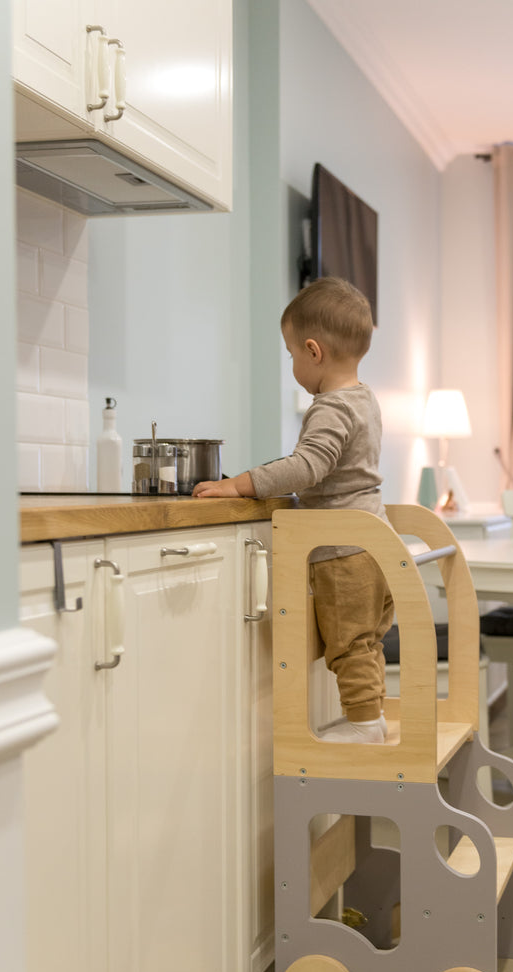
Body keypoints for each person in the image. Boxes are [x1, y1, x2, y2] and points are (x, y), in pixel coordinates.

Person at [193, 276, 394, 744]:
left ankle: (365, 726)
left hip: (345, 552)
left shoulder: (331, 407)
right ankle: (371, 717)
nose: (292, 366)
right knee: (363, 642)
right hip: (372, 541)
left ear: (313, 351)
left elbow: (308, 466)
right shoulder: (365, 399)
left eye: (291, 356)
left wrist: (241, 485)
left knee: (348, 646)